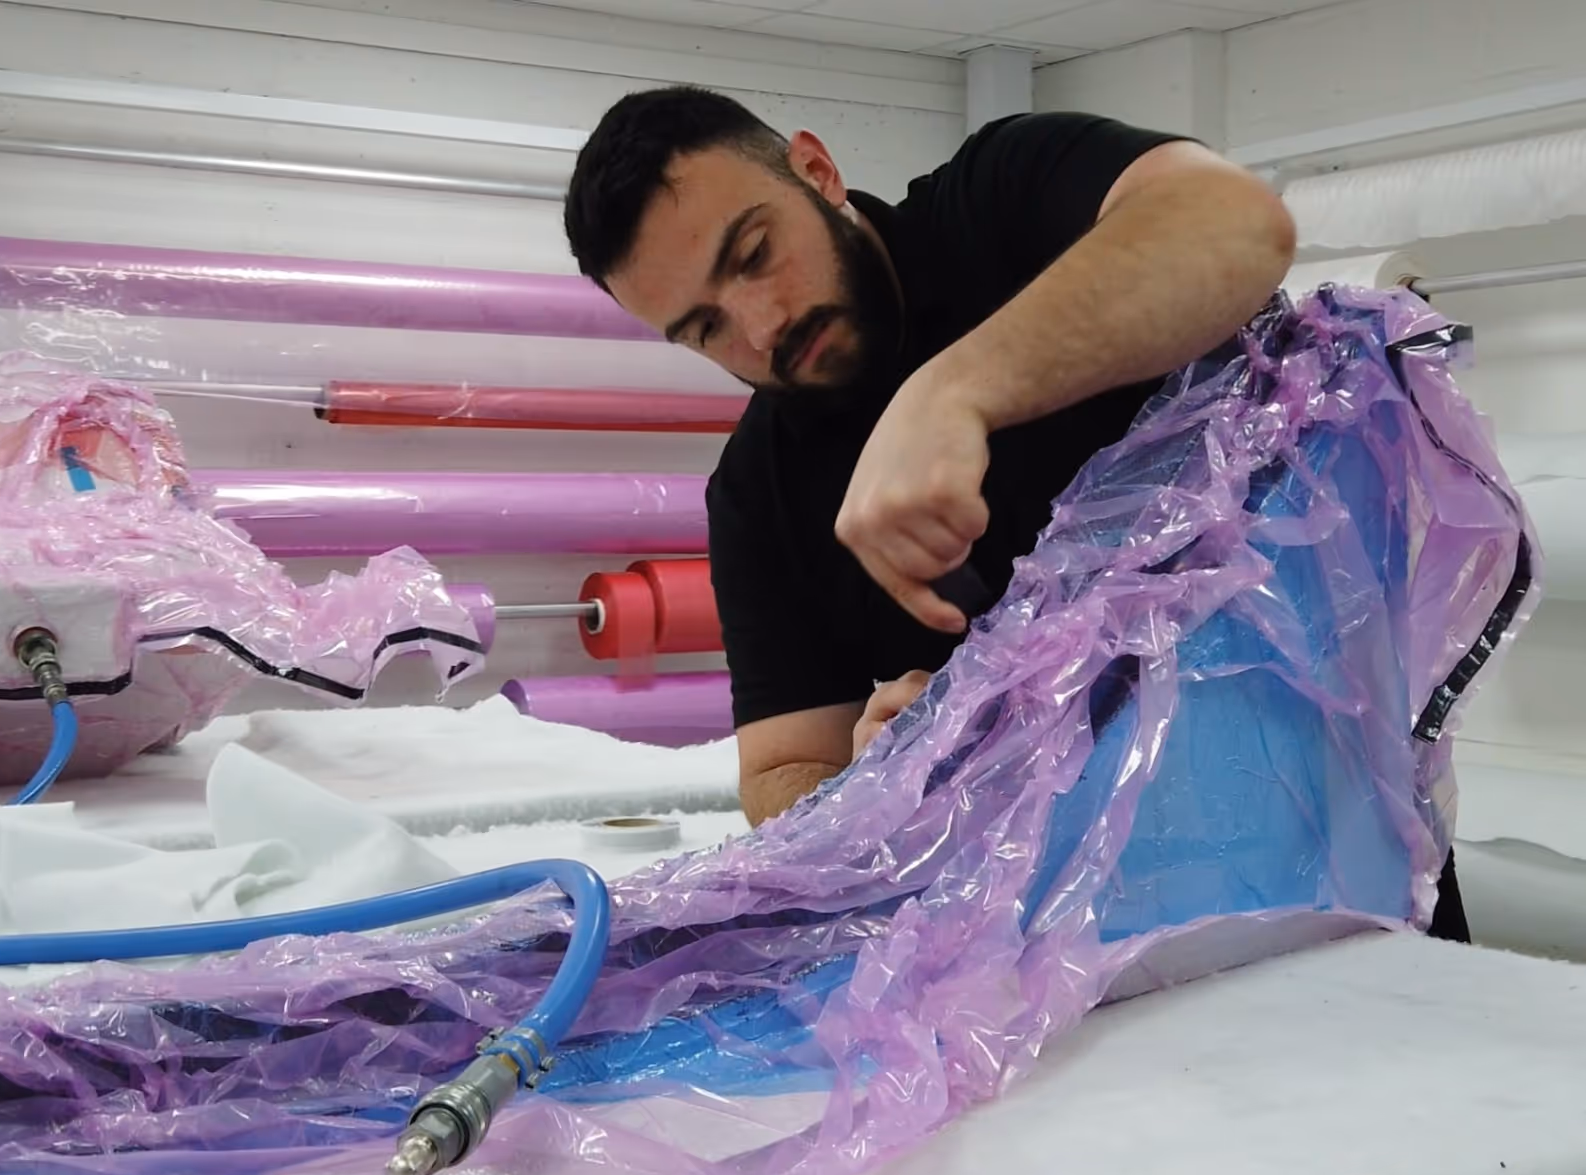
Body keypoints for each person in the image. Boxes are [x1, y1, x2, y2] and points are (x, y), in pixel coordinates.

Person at [560, 86, 1471, 942]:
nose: (760, 328)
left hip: (1331, 839)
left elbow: (1236, 225)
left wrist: (954, 393)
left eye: (755, 253)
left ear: (817, 171)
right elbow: (775, 771)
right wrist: (873, 777)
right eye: (706, 328)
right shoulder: (757, 494)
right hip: (1069, 945)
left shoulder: (999, 199)